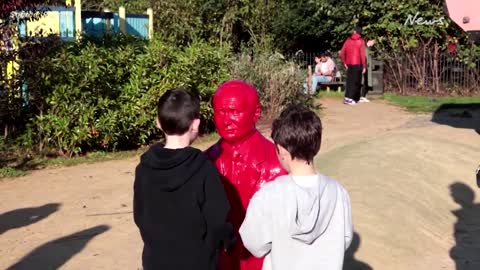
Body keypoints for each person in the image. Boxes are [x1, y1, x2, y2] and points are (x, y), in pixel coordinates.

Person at [239, 104, 353, 270]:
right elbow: (345, 240)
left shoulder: (268, 194)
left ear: (281, 150)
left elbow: (254, 244)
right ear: (317, 145)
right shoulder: (339, 193)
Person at [133, 88, 233, 270]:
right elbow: (218, 220)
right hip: (197, 261)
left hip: (156, 260)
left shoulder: (144, 169)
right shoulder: (204, 168)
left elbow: (140, 216)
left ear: (158, 123)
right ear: (195, 124)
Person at [205, 80, 288, 270]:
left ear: (256, 113)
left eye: (234, 112)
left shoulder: (277, 163)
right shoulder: (205, 162)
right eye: (220, 112)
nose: (226, 120)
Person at [341, 26, 367, 105]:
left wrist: (344, 62)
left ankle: (348, 98)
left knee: (350, 81)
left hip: (349, 64)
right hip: (357, 63)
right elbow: (362, 55)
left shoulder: (348, 40)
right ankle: (351, 98)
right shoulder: (361, 41)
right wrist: (364, 66)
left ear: (354, 32)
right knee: (356, 82)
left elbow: (342, 52)